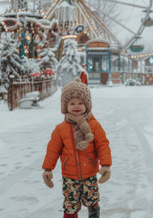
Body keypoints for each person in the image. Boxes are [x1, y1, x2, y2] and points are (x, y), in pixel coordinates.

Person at [42, 78, 112, 218]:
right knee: (70, 205)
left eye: (81, 103)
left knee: (92, 199)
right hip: (70, 177)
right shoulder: (61, 129)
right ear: (65, 106)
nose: (77, 106)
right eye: (72, 103)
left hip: (90, 174)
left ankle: (94, 212)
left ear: (87, 105)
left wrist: (106, 165)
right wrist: (48, 169)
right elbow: (52, 150)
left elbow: (102, 144)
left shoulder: (94, 126)